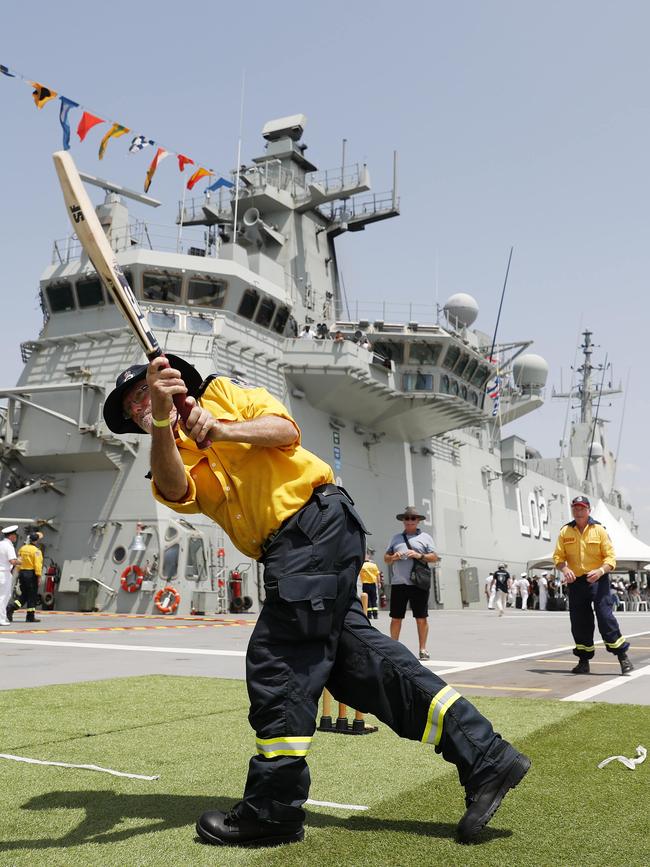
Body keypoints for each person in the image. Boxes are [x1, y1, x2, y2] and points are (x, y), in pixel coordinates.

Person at [102, 356, 530, 848]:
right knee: (360, 666)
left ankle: (274, 810)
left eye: (146, 392)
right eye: (135, 407)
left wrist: (218, 428)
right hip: (293, 549)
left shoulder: (223, 393)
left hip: (312, 525)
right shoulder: (165, 453)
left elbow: (285, 430)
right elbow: (176, 489)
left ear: (177, 380)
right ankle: (485, 755)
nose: (141, 406)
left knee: (278, 663)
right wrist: (162, 417)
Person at [553, 495, 633, 675]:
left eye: (582, 508)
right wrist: (565, 570)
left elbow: (610, 558)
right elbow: (558, 558)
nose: (578, 511)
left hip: (598, 580)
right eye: (575, 508)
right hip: (576, 583)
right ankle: (583, 661)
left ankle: (623, 657)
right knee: (580, 622)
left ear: (589, 510)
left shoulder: (599, 530)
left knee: (605, 618)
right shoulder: (565, 532)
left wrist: (600, 571)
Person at [384, 506, 438, 660]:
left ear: (418, 521)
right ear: (403, 520)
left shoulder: (426, 538)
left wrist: (418, 555)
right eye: (406, 518)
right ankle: (393, 648)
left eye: (413, 518)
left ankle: (423, 649)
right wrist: (394, 556)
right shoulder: (395, 538)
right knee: (396, 617)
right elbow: (386, 559)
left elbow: (434, 557)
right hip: (399, 583)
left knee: (421, 618)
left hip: (418, 584)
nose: (409, 521)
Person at [15, 532, 44, 623]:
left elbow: (18, 561)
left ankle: (11, 608)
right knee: (32, 596)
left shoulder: (22, 549)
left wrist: (18, 572)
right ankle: (30, 617)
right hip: (31, 574)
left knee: (24, 595)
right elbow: (37, 565)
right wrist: (39, 577)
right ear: (36, 541)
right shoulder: (36, 551)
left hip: (22, 573)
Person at [0, 525, 19, 626]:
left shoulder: (1, 544)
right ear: (11, 536)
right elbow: (12, 561)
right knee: (4, 597)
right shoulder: (9, 546)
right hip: (4, 574)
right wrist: (20, 561)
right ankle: (1, 619)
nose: (16, 537)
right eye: (15, 535)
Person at [359, 547, 380, 619]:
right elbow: (378, 574)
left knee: (367, 600)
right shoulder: (374, 565)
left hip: (365, 584)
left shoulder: (362, 566)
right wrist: (379, 583)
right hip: (373, 584)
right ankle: (375, 615)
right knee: (374, 598)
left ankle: (369, 615)